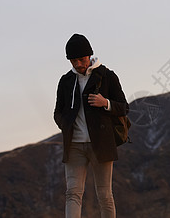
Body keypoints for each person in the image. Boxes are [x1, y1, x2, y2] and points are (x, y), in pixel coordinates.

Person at [54, 33, 128, 218]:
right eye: (73, 60)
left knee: (104, 195)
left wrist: (106, 103)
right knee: (73, 193)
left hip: (101, 144)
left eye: (81, 59)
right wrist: (65, 125)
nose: (78, 64)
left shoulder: (107, 76)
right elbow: (57, 112)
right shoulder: (66, 81)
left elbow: (124, 107)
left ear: (89, 56)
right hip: (74, 146)